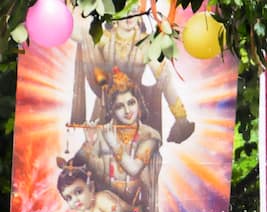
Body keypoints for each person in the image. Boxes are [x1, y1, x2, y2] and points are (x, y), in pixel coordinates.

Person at [70, 4, 195, 144]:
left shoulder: (146, 43)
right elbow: (79, 35)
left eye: (134, 10)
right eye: (125, 11)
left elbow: (165, 80)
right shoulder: (105, 39)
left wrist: (181, 118)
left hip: (132, 111)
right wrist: (74, 6)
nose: (130, 17)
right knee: (99, 155)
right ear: (115, 16)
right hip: (104, 108)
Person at [75, 66, 163, 212]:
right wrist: (90, 142)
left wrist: (114, 144)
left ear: (139, 104)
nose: (127, 111)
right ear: (112, 111)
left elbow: (134, 168)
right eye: (120, 106)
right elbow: (79, 167)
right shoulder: (106, 130)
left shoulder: (150, 135)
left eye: (131, 103)